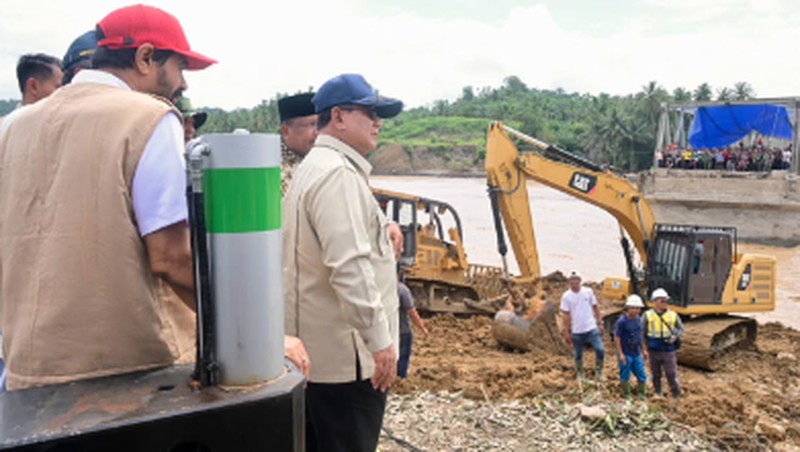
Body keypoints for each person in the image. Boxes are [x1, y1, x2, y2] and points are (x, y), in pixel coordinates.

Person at [0, 4, 217, 391]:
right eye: (180, 67)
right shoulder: (148, 118)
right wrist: (242, 328)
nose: (183, 84)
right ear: (146, 57)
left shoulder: (14, 129)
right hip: (126, 374)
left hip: (28, 373)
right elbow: (171, 257)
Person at [283, 73, 403, 451]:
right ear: (338, 117)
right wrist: (380, 342)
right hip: (345, 365)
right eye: (369, 113)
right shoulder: (337, 174)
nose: (377, 122)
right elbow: (348, 266)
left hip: (318, 360)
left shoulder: (315, 168)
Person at [560, 270, 605, 382]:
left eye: (576, 280)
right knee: (578, 353)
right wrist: (566, 332)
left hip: (591, 327)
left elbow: (595, 307)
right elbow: (565, 315)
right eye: (572, 280)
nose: (574, 283)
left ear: (580, 281)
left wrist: (599, 322)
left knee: (600, 349)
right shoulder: (566, 296)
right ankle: (580, 372)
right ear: (569, 282)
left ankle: (599, 371)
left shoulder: (588, 292)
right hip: (577, 330)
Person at [643, 288, 684, 399]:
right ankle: (658, 392)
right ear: (654, 302)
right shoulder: (647, 315)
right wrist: (644, 349)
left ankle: (676, 394)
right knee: (656, 374)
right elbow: (642, 333)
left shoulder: (673, 315)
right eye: (662, 301)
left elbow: (681, 329)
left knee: (671, 373)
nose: (665, 303)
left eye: (666, 301)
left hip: (668, 349)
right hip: (653, 349)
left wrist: (675, 336)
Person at [278, 92, 318, 197]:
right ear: (286, 131)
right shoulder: (274, 172)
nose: (317, 132)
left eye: (321, 124)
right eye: (311, 125)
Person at [614, 294, 647, 400]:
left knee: (641, 374)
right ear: (628, 308)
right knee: (625, 374)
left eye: (638, 308)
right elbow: (617, 338)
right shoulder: (622, 322)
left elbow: (640, 336)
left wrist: (644, 350)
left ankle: (641, 394)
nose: (636, 310)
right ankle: (627, 395)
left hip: (636, 353)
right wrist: (621, 354)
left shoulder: (638, 320)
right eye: (633, 308)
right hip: (626, 352)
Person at [397, 273, 429, 378]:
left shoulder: (383, 288)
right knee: (403, 356)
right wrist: (422, 328)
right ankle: (400, 380)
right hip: (403, 331)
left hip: (387, 331)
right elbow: (411, 312)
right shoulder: (402, 290)